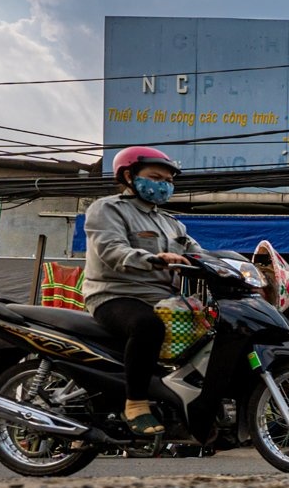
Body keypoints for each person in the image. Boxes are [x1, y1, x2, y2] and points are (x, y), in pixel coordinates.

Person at [81, 146, 207, 437]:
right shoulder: (107, 209)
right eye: (155, 177)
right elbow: (111, 250)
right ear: (128, 175)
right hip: (114, 295)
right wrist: (153, 259)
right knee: (147, 325)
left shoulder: (171, 223)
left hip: (163, 300)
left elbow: (199, 254)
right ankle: (136, 403)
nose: (163, 185)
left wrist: (234, 267)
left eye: (169, 181)